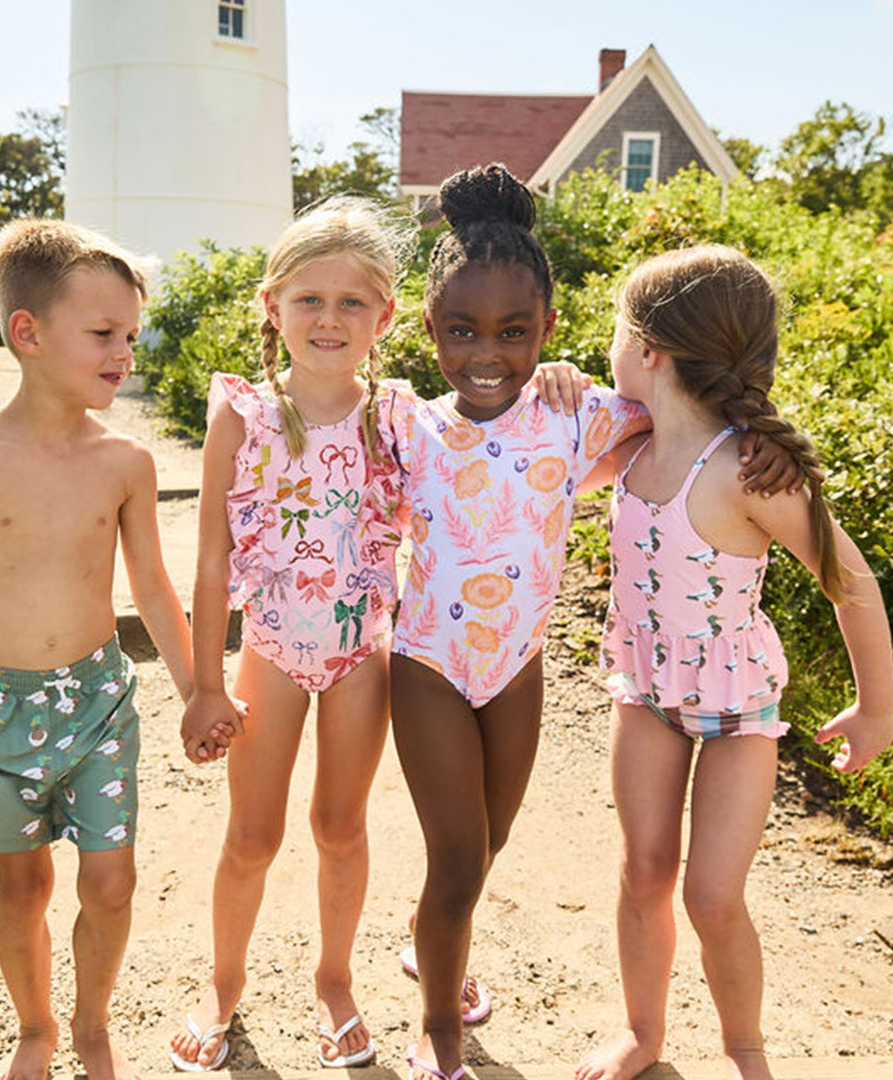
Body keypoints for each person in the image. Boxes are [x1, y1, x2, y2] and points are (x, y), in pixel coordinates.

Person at [386, 167, 795, 1080]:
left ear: (548, 333)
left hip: (518, 669)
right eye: (461, 331)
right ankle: (440, 1030)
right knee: (457, 861)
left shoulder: (580, 423)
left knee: (486, 843)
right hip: (426, 666)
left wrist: (758, 435)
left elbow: (686, 409)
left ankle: (430, 930)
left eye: (514, 332)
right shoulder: (407, 427)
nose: (486, 352)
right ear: (429, 329)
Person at [574, 245, 893, 1080]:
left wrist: (878, 708)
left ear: (649, 351)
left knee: (712, 896)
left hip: (737, 707)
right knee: (644, 871)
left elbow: (849, 583)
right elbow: (537, 466)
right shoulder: (626, 440)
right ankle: (643, 1035)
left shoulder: (752, 471)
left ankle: (745, 1052)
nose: (607, 349)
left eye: (615, 330)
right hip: (645, 692)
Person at [0, 218, 199, 1080]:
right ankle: (34, 1030)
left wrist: (197, 693)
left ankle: (92, 1024)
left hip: (98, 703)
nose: (125, 355)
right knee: (22, 887)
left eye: (132, 338)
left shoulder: (126, 461)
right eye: (104, 334)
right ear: (26, 332)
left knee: (110, 884)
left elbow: (151, 589)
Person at [168, 197, 414, 1071]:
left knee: (340, 825)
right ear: (272, 305)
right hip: (269, 648)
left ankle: (335, 979)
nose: (330, 319)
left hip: (360, 657)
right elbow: (209, 557)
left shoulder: (400, 416)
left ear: (384, 315)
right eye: (309, 299)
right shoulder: (243, 413)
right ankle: (224, 984)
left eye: (353, 302)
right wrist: (203, 682)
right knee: (252, 836)